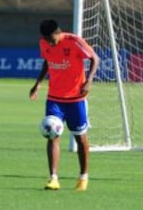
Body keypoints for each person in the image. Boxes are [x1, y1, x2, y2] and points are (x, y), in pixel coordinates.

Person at [30, 19, 99, 191]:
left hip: (76, 99)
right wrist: (38, 83)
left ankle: (83, 177)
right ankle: (53, 178)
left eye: (51, 40)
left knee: (80, 137)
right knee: (52, 134)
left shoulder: (74, 41)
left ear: (58, 32)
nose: (49, 44)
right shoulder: (44, 43)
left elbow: (95, 58)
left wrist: (89, 81)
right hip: (54, 98)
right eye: (46, 40)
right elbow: (47, 60)